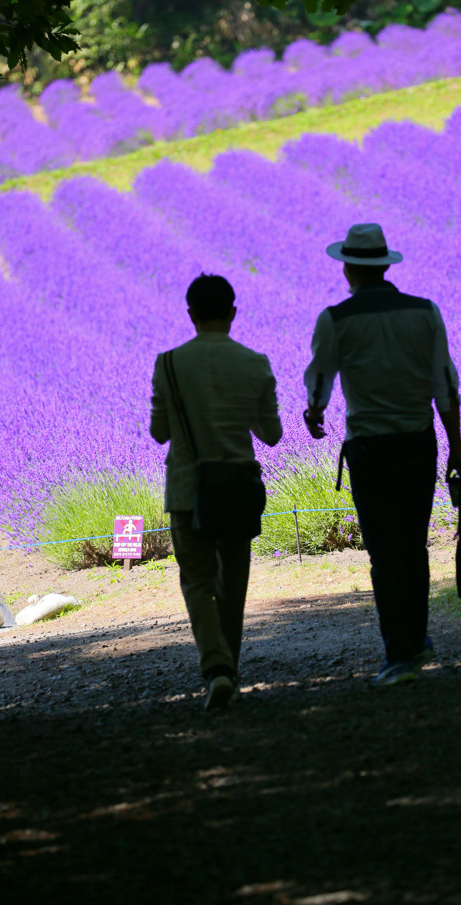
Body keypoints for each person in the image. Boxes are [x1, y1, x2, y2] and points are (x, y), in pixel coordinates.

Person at [303, 222, 461, 688]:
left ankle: (398, 654)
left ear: (349, 269)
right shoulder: (424, 313)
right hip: (419, 443)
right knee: (413, 545)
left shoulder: (335, 319)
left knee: (383, 550)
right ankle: (415, 639)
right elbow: (445, 386)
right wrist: (457, 448)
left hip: (369, 448)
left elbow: (319, 380)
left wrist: (315, 413)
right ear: (384, 265)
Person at [150, 274, 282, 710]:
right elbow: (272, 435)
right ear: (233, 313)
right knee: (233, 584)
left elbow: (159, 432)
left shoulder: (168, 364)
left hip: (189, 490)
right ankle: (229, 668)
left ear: (191, 315)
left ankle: (216, 668)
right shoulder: (256, 362)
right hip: (238, 488)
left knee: (197, 582)